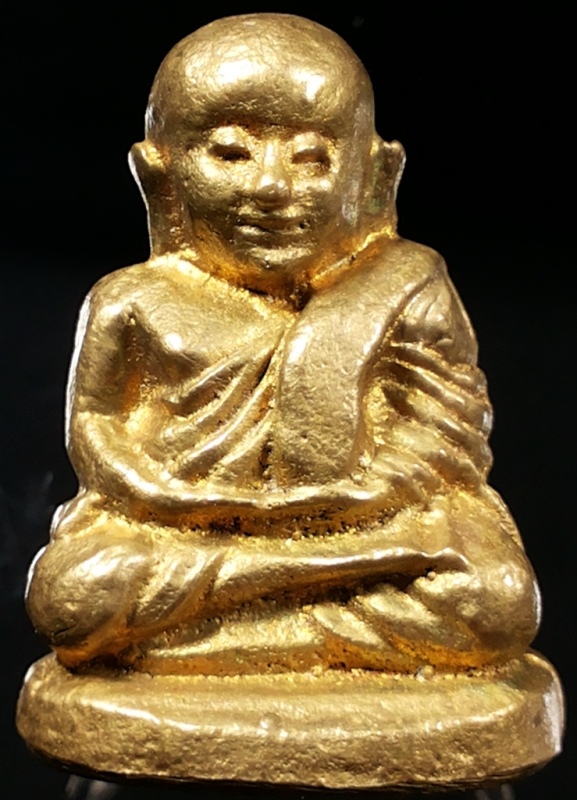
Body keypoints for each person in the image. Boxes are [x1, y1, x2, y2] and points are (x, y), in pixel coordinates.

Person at [26, 14, 539, 676]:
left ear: (374, 177)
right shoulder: (129, 297)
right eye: (231, 153)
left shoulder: (406, 282)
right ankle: (310, 613)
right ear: (160, 176)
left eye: (311, 158)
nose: (271, 187)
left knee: (495, 600)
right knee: (74, 597)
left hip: (370, 523)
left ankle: (214, 641)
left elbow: (449, 431)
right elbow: (95, 423)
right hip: (187, 528)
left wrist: (368, 496)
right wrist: (159, 494)